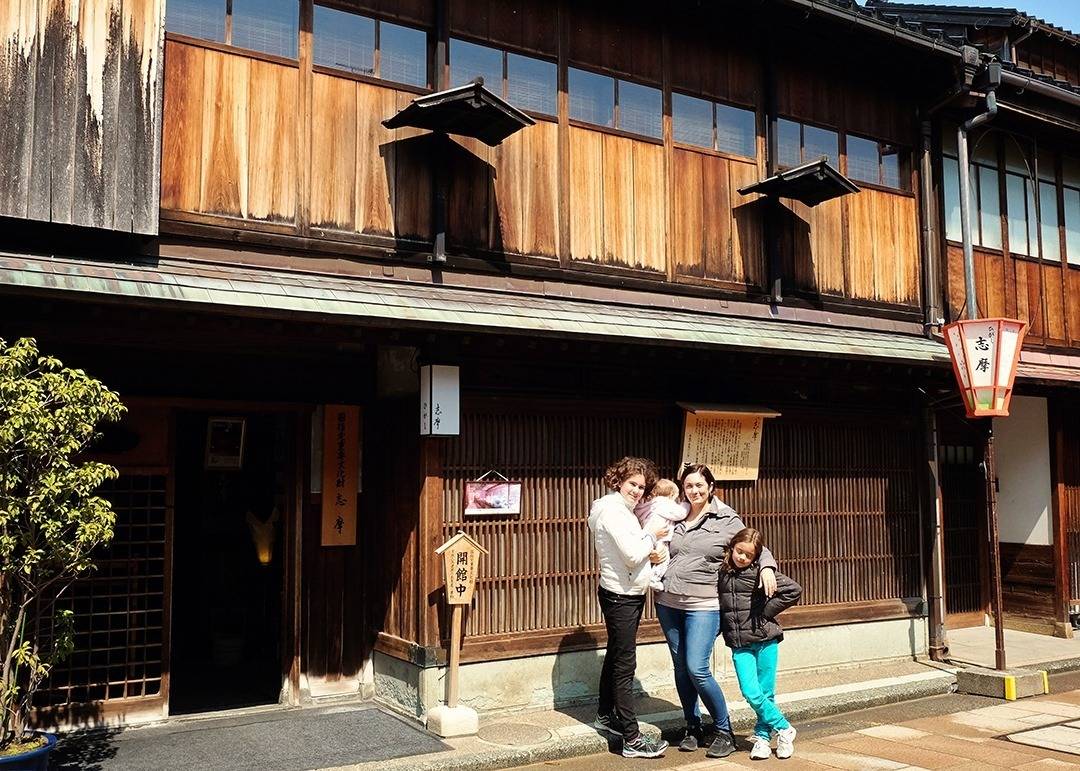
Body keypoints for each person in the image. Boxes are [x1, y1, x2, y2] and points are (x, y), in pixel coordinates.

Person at [655, 464, 779, 759]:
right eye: (689, 486)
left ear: (711, 486)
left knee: (697, 666)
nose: (694, 491)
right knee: (681, 667)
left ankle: (723, 730)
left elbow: (756, 547)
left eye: (699, 485)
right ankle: (692, 725)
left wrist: (768, 567)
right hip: (668, 601)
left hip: (705, 603)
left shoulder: (726, 518)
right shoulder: (676, 512)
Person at [588, 456, 670, 759]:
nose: (637, 491)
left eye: (642, 486)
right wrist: (652, 537)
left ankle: (604, 714)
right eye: (632, 484)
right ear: (618, 480)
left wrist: (649, 553)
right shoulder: (615, 512)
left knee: (615, 654)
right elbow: (634, 554)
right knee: (625, 665)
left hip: (618, 590)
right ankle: (632, 739)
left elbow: (632, 554)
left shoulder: (610, 508)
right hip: (621, 594)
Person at [719, 527, 802, 760]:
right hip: (740, 643)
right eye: (739, 551)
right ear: (732, 547)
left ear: (756, 557)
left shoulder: (760, 572)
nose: (742, 557)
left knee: (766, 692)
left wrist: (765, 612)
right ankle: (785, 727)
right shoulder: (721, 571)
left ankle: (763, 739)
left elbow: (793, 590)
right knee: (751, 692)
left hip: (766, 640)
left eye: (749, 555)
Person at [633, 478, 688, 591]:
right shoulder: (665, 505)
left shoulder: (650, 505)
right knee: (664, 558)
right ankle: (654, 579)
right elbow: (681, 513)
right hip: (659, 537)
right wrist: (686, 503)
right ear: (672, 494)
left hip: (647, 535)